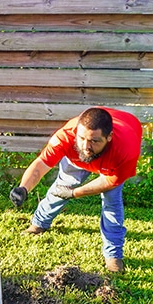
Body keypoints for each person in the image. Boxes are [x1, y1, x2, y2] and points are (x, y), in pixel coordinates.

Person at [9, 107, 142, 273]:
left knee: (112, 204)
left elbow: (108, 183)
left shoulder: (125, 149)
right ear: (76, 132)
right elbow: (42, 164)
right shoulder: (65, 137)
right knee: (63, 185)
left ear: (109, 137)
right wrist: (24, 188)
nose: (86, 146)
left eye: (94, 141)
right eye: (81, 138)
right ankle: (39, 223)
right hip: (76, 160)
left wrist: (74, 193)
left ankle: (113, 255)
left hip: (112, 161)